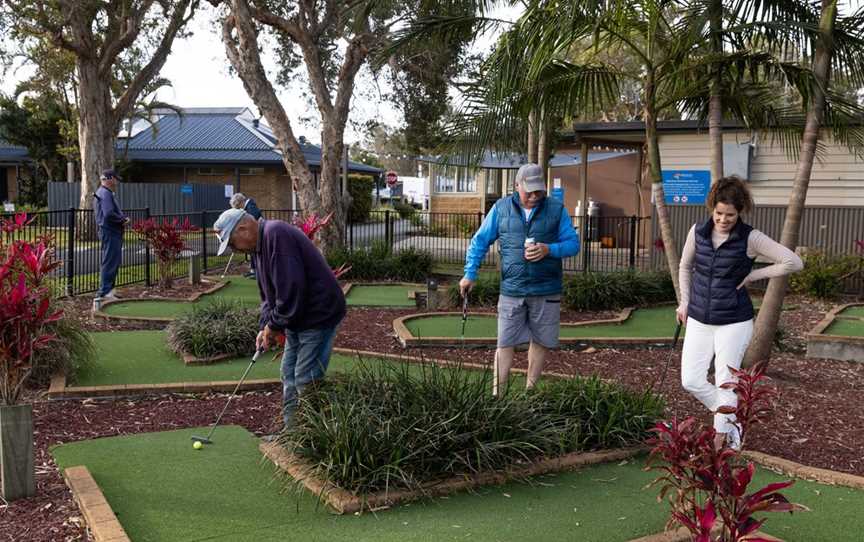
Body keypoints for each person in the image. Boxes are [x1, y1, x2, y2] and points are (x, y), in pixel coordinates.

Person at [677, 175, 802, 450]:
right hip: (698, 316)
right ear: (712, 207)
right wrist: (684, 302)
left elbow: (793, 262)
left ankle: (728, 444)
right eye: (719, 213)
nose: (723, 219)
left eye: (730, 215)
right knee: (691, 380)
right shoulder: (697, 231)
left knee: (726, 382)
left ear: (740, 211)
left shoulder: (750, 237)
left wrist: (754, 274)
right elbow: (685, 267)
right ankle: (730, 419)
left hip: (733, 321)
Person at [212, 208, 346, 427]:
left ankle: (307, 434)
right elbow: (267, 294)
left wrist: (274, 325)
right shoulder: (259, 247)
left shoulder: (277, 235)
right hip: (299, 316)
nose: (233, 249)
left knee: (304, 377)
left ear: (244, 228)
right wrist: (265, 325)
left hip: (318, 313)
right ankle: (291, 431)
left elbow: (291, 290)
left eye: (232, 243)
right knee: (288, 373)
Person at [459, 163, 580, 396]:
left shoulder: (556, 209)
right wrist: (469, 273)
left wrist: (549, 249)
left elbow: (573, 244)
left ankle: (530, 394)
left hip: (547, 289)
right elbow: (480, 241)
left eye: (539, 191)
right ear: (516, 186)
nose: (535, 196)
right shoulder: (501, 208)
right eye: (529, 191)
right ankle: (498, 395)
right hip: (512, 290)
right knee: (504, 342)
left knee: (541, 341)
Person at [93, 169, 129, 300]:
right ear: (109, 179)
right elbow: (108, 214)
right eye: (115, 178)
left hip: (110, 231)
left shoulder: (104, 193)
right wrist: (122, 220)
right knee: (110, 261)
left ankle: (109, 290)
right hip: (110, 231)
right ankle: (105, 292)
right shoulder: (105, 194)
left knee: (113, 260)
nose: (116, 181)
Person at [230, 193, 263, 278]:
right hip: (255, 233)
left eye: (238, 206)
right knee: (252, 252)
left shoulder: (251, 206)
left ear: (241, 202)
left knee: (256, 252)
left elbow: (253, 218)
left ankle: (257, 272)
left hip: (259, 233)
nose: (239, 209)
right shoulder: (248, 207)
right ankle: (253, 270)